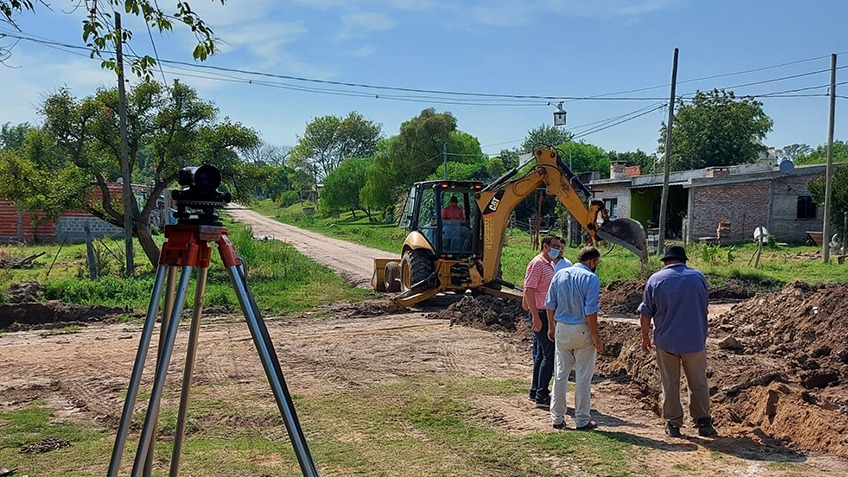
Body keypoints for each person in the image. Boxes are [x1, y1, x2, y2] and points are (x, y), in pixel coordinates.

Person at [637, 245, 717, 438]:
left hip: (667, 341)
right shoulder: (698, 277)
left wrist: (645, 337)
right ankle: (704, 422)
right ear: (684, 261)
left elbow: (646, 312)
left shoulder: (655, 280)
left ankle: (673, 424)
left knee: (670, 383)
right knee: (698, 381)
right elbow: (704, 305)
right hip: (694, 339)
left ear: (665, 261)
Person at [545, 246, 604, 430]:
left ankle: (557, 418)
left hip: (562, 328)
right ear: (592, 261)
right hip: (582, 329)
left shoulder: (560, 274)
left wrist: (551, 326)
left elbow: (550, 303)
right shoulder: (591, 278)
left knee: (560, 375)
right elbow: (590, 310)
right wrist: (596, 336)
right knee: (583, 377)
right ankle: (582, 419)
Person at [523, 235, 563, 409]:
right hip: (541, 314)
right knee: (550, 353)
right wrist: (536, 316)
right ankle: (542, 394)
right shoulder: (538, 264)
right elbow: (529, 290)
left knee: (540, 355)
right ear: (545, 246)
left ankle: (535, 391)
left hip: (545, 314)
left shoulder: (550, 264)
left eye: (559, 247)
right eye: (555, 246)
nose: (558, 249)